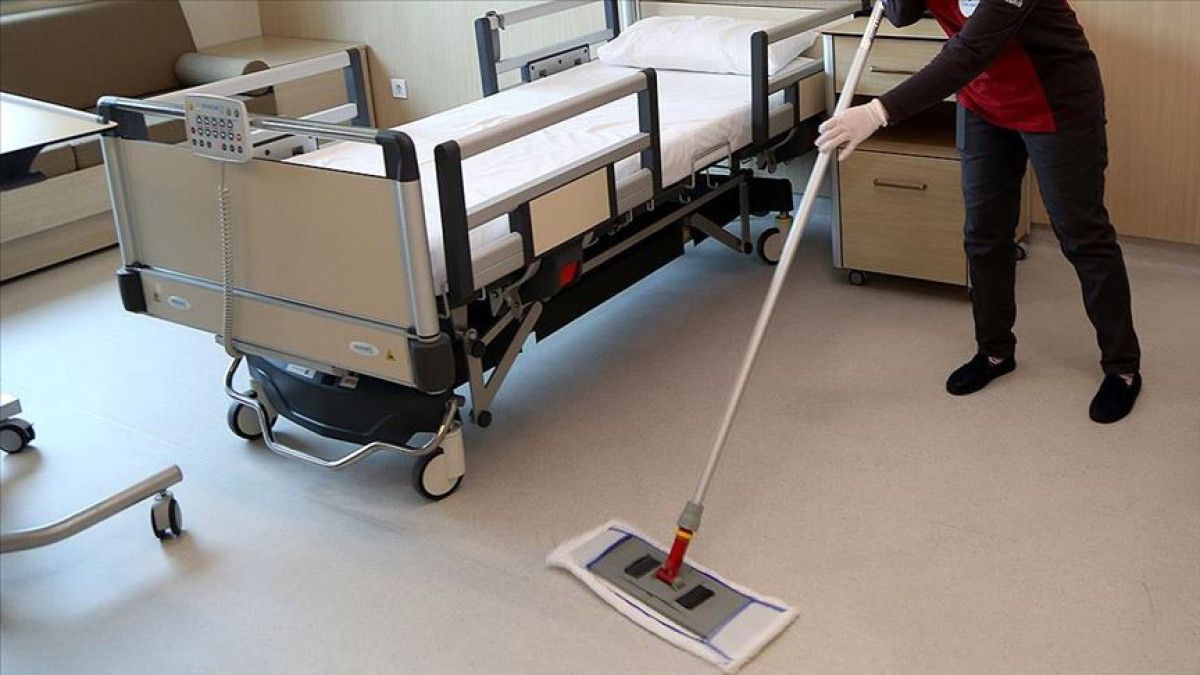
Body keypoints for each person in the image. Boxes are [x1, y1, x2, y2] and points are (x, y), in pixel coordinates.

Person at [816, 0, 1142, 423]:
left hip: (1055, 101)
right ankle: (994, 351)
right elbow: (901, 13)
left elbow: (971, 50)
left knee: (1082, 235)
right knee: (984, 234)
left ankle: (1122, 367)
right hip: (983, 102)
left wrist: (877, 112)